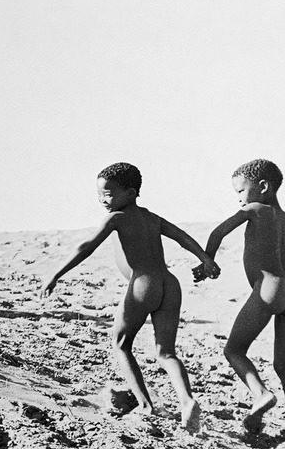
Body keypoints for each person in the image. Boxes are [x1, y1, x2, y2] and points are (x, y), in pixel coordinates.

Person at [42, 162, 218, 432]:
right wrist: (205, 259)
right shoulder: (152, 218)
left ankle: (146, 406)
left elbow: (87, 246)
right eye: (100, 194)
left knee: (121, 343)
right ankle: (187, 401)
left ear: (132, 192)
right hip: (169, 284)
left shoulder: (117, 219)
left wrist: (57, 273)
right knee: (166, 352)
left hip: (143, 284)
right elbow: (182, 237)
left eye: (109, 194)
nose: (103, 200)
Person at [195, 159, 285, 441]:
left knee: (234, 350)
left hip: (268, 287)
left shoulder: (254, 209)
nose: (238, 198)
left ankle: (261, 394)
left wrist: (207, 262)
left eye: (240, 191)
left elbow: (218, 232)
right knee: (284, 363)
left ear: (263, 187)